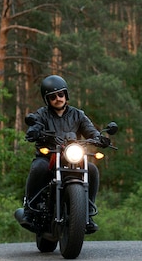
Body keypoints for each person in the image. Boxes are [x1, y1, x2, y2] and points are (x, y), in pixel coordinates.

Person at [22, 75, 109, 233]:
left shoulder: (78, 115)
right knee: (38, 168)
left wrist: (100, 139)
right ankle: (29, 210)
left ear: (66, 95)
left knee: (92, 170)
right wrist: (34, 131)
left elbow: (91, 131)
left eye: (60, 94)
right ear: (47, 99)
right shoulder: (42, 114)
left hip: (72, 157)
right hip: (48, 156)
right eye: (52, 96)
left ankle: (87, 213)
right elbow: (35, 125)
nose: (57, 98)